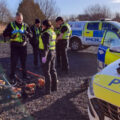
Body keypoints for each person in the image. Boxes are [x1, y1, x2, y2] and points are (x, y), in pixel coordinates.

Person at [3, 12, 32, 84]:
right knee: (14, 62)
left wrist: (26, 32)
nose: (19, 20)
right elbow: (4, 34)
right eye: (18, 19)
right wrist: (12, 33)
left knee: (24, 62)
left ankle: (24, 76)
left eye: (21, 19)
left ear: (22, 18)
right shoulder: (11, 25)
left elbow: (31, 35)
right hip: (14, 46)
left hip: (23, 46)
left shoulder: (26, 25)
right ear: (15, 18)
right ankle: (12, 76)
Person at [39, 19, 58, 95]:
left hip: (48, 54)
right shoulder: (52, 32)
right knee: (53, 70)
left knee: (46, 72)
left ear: (45, 25)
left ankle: (47, 90)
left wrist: (44, 56)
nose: (41, 26)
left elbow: (46, 47)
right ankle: (54, 87)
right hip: (53, 52)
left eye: (42, 25)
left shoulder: (46, 34)